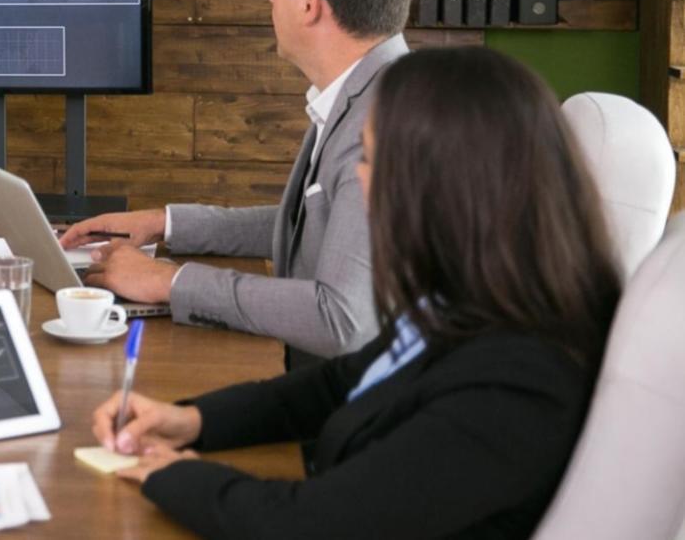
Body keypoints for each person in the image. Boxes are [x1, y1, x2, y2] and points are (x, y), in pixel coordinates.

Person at [92, 46, 623, 539]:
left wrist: (174, 476)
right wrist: (192, 420)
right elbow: (337, 385)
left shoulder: (516, 384)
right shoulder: (474, 302)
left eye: (368, 160)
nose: (359, 182)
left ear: (438, 186)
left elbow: (312, 526)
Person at [62, 0, 413, 363]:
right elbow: (310, 227)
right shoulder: (376, 90)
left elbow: (339, 320)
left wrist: (168, 281)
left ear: (308, 4)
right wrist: (164, 224)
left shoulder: (386, 123)